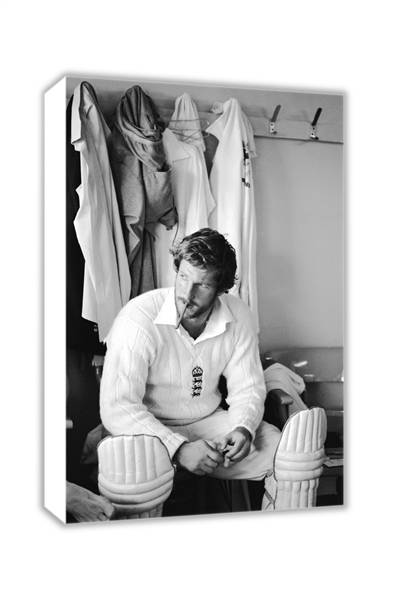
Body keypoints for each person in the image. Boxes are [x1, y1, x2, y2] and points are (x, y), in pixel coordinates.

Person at [99, 228, 326, 513]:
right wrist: (178, 448)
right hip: (148, 430)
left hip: (210, 423)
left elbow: (248, 388)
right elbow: (117, 407)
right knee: (137, 479)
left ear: (221, 289)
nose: (187, 294)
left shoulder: (238, 314)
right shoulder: (137, 319)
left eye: (203, 285)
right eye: (183, 277)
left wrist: (244, 426)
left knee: (294, 458)